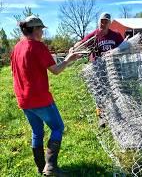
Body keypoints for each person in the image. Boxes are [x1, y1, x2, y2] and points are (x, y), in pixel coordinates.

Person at [11, 15, 80, 176]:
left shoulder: (16, 48)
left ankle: (40, 167)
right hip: (40, 98)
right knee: (58, 127)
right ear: (34, 29)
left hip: (23, 99)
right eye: (41, 29)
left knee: (37, 132)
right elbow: (55, 70)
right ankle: (50, 167)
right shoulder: (37, 46)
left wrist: (67, 56)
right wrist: (69, 60)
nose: (42, 32)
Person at [74, 12, 124, 127]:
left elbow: (123, 47)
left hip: (113, 68)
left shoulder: (115, 35)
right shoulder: (94, 35)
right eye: (102, 21)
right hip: (97, 69)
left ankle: (115, 113)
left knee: (114, 90)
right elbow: (82, 43)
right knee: (99, 93)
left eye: (106, 21)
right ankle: (101, 117)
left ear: (109, 23)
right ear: (99, 22)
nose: (104, 23)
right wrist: (74, 47)